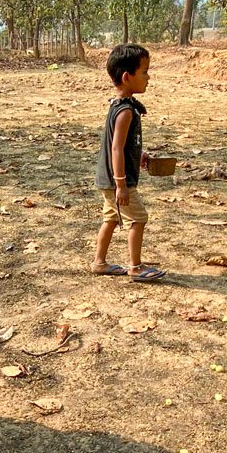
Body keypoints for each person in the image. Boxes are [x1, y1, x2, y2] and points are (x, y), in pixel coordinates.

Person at [91, 43, 165, 283]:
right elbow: (116, 148)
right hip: (118, 181)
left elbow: (121, 145)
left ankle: (99, 263)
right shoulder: (126, 111)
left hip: (107, 179)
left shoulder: (120, 106)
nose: (148, 77)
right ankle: (135, 267)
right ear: (127, 76)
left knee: (111, 218)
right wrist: (121, 184)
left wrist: (138, 155)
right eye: (144, 71)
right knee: (138, 218)